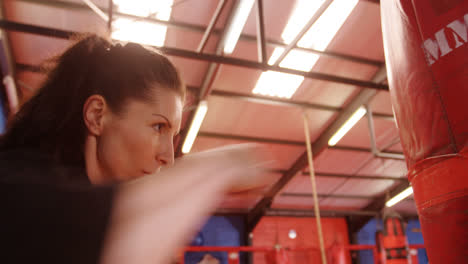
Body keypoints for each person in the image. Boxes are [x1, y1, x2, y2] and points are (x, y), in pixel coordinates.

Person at [0, 34, 267, 264]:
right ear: (96, 115)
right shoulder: (16, 183)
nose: (168, 157)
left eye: (172, 135)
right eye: (158, 127)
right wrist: (219, 166)